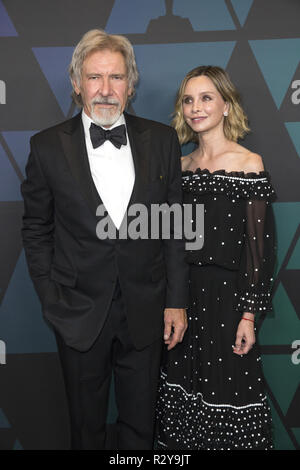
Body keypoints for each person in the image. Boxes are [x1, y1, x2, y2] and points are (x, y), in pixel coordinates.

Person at [21, 29, 189, 450]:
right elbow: (36, 228)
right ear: (77, 84)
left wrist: (176, 300)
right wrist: (51, 296)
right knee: (86, 431)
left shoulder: (163, 140)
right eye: (95, 78)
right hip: (77, 311)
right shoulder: (45, 147)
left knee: (140, 431)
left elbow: (172, 227)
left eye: (116, 78)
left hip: (147, 309)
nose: (106, 89)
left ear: (131, 86)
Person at [156, 65, 276, 450]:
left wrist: (249, 315)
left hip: (228, 304)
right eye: (189, 100)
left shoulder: (248, 163)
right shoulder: (179, 167)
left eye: (206, 97)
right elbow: (167, 240)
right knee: (183, 402)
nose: (196, 107)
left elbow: (260, 250)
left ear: (226, 105)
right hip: (182, 300)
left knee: (230, 396)